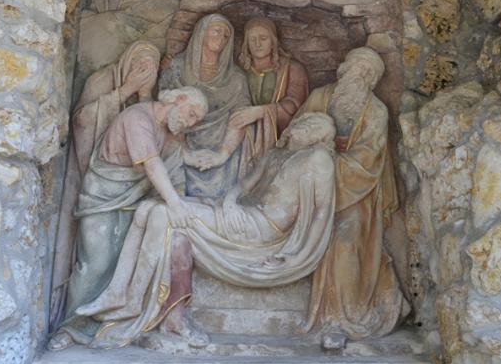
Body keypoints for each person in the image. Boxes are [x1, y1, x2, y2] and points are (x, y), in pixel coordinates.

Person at [74, 113, 339, 349]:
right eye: (308, 121)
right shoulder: (274, 155)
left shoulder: (318, 159)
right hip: (240, 214)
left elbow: (322, 213)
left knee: (162, 213)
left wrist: (301, 254)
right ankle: (127, 296)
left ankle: (130, 298)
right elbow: (244, 186)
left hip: (259, 228)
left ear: (321, 139)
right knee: (147, 209)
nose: (307, 126)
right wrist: (230, 202)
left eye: (316, 128)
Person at [48, 87, 208, 351]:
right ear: (178, 99)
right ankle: (71, 328)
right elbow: (152, 165)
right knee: (95, 264)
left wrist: (178, 200)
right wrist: (174, 203)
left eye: (196, 120)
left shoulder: (171, 136)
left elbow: (174, 173)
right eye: (191, 114)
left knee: (130, 264)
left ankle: (114, 325)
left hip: (137, 202)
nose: (190, 123)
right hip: (103, 196)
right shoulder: (138, 117)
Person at [298, 47, 409, 342]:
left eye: (368, 73)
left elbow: (369, 157)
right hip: (311, 187)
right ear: (344, 69)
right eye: (357, 68)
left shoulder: (376, 111)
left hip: (358, 193)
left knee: (343, 241)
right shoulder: (320, 97)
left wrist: (330, 163)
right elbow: (296, 132)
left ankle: (339, 317)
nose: (360, 75)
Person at [50, 41, 160, 329]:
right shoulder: (102, 80)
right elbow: (82, 122)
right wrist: (125, 90)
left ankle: (108, 325)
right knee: (94, 261)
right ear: (127, 61)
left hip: (132, 190)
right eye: (139, 63)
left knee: (123, 259)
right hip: (96, 187)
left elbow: (153, 141)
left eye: (151, 66)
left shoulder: (151, 98)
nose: (144, 70)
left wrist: (144, 95)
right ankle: (72, 325)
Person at [159, 14, 250, 199]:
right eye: (216, 31)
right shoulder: (176, 67)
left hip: (220, 151)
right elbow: (164, 114)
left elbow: (240, 118)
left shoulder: (236, 78)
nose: (221, 38)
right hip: (179, 144)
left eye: (226, 35)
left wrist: (222, 154)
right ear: (201, 33)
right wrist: (183, 152)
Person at [229, 17, 309, 165]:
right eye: (252, 39)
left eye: (263, 38)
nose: (257, 44)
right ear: (246, 44)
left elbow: (295, 107)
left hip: (282, 140)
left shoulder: (293, 69)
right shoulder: (238, 72)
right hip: (244, 138)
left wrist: (261, 112)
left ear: (273, 42)